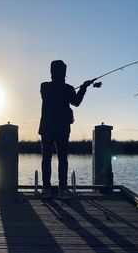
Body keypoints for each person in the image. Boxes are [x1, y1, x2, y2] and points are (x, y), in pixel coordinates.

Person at [39, 60, 91, 199]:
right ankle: (62, 189)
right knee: (62, 158)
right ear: (63, 72)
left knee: (47, 158)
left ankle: (46, 190)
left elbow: (72, 101)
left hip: (46, 128)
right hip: (61, 128)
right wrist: (83, 87)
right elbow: (76, 102)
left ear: (51, 72)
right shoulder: (66, 88)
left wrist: (81, 88)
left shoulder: (45, 86)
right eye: (64, 71)